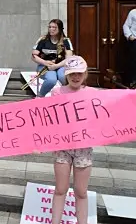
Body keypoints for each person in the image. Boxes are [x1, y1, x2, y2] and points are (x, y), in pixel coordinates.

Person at [48, 55, 94, 224]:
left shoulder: (93, 94)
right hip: (62, 146)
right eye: (72, 73)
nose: (76, 77)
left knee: (81, 191)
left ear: (85, 74)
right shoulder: (57, 92)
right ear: (66, 74)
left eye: (79, 73)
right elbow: (46, 118)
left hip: (84, 147)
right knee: (61, 189)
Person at [31, 19, 74, 97]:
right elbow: (33, 56)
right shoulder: (43, 40)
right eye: (50, 27)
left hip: (61, 65)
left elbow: (69, 58)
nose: (51, 29)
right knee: (51, 80)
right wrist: (45, 62)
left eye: (54, 27)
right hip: (45, 66)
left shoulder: (66, 41)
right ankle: (40, 96)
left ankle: (67, 96)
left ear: (60, 29)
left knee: (63, 77)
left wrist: (56, 66)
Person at [123, 8, 136, 88]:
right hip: (135, 41)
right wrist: (129, 36)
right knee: (133, 62)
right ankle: (133, 82)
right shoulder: (133, 12)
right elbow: (126, 25)